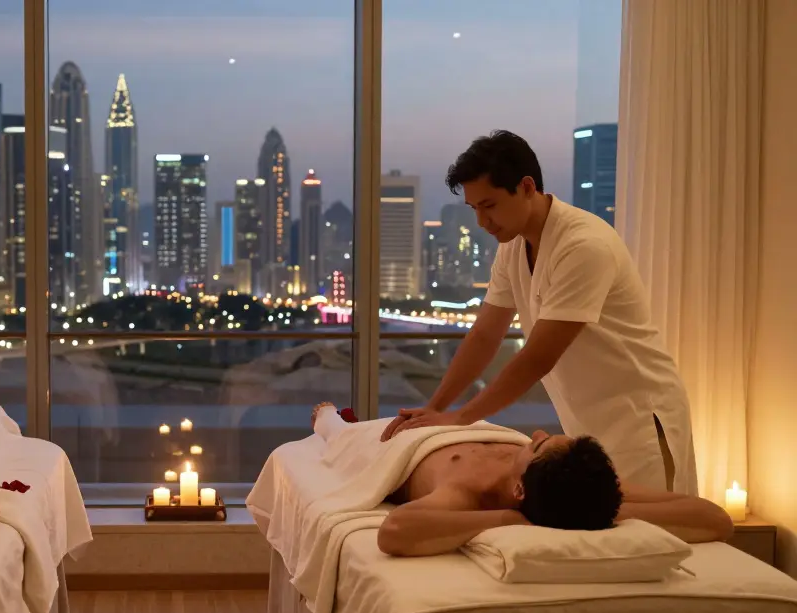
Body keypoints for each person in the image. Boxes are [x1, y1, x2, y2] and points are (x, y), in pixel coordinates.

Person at [381, 130, 697, 497]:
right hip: (587, 419)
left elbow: (537, 358)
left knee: (652, 537)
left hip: (639, 418)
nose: (482, 221)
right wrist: (434, 409)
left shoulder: (584, 246)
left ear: (527, 187)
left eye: (490, 205)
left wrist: (459, 418)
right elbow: (485, 334)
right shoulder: (514, 246)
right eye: (474, 209)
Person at [310, 404, 732, 558]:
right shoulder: (589, 490)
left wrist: (511, 521)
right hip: (456, 425)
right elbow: (714, 516)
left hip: (399, 446)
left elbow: (395, 533)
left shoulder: (468, 494)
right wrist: (607, 509)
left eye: (538, 445)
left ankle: (326, 418)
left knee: (341, 434)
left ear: (519, 491)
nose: (532, 435)